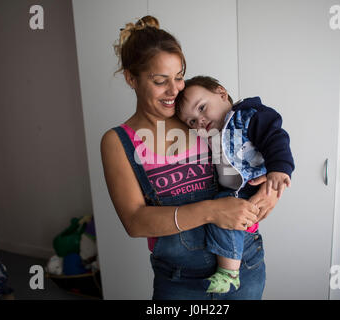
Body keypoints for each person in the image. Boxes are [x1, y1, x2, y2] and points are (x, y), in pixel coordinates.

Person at [100, 15, 279, 300]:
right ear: (131, 78)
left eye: (179, 76)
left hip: (244, 266)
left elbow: (262, 150)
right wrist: (211, 210)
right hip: (179, 281)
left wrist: (272, 192)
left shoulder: (198, 119)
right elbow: (134, 222)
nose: (174, 91)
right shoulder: (118, 142)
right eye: (160, 81)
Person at [175, 76, 295, 293]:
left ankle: (229, 273)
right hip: (232, 195)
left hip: (250, 190)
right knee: (220, 210)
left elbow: (276, 138)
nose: (200, 121)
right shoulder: (211, 137)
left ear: (221, 92)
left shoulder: (247, 117)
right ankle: (229, 268)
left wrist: (279, 170)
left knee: (224, 208)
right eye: (192, 121)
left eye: (202, 108)